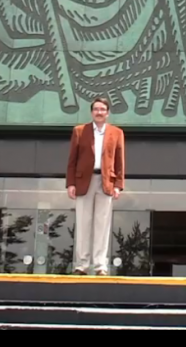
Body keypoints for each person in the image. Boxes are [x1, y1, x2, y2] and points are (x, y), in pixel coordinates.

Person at [66, 97, 125, 276]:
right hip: (84, 181)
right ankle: (82, 265)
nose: (99, 112)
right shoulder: (79, 131)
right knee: (83, 223)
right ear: (92, 112)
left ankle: (100, 266)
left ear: (107, 113)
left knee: (102, 224)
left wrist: (118, 185)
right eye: (96, 109)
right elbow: (72, 160)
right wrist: (70, 183)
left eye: (102, 109)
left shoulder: (117, 133)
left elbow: (120, 161)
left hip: (106, 182)